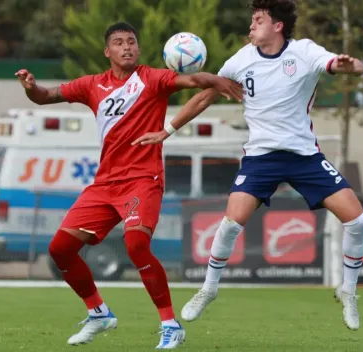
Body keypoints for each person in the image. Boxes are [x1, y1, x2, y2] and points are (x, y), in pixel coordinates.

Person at [132, 0, 363, 331]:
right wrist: (167, 130)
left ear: (277, 26)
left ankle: (348, 291)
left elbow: (341, 65)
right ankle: (208, 289)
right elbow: (204, 97)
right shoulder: (241, 59)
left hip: (304, 157)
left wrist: (351, 65)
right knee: (231, 222)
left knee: (359, 221)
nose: (251, 26)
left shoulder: (303, 52)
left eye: (258, 20)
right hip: (260, 158)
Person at [15, 22, 242, 349]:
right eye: (119, 43)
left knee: (136, 245)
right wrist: (30, 87)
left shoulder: (153, 78)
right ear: (107, 51)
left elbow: (194, 80)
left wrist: (215, 80)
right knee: (60, 250)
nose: (127, 47)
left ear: (138, 49)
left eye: (132, 42)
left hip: (142, 179)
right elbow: (46, 96)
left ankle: (170, 324)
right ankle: (99, 313)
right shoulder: (92, 85)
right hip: (105, 184)